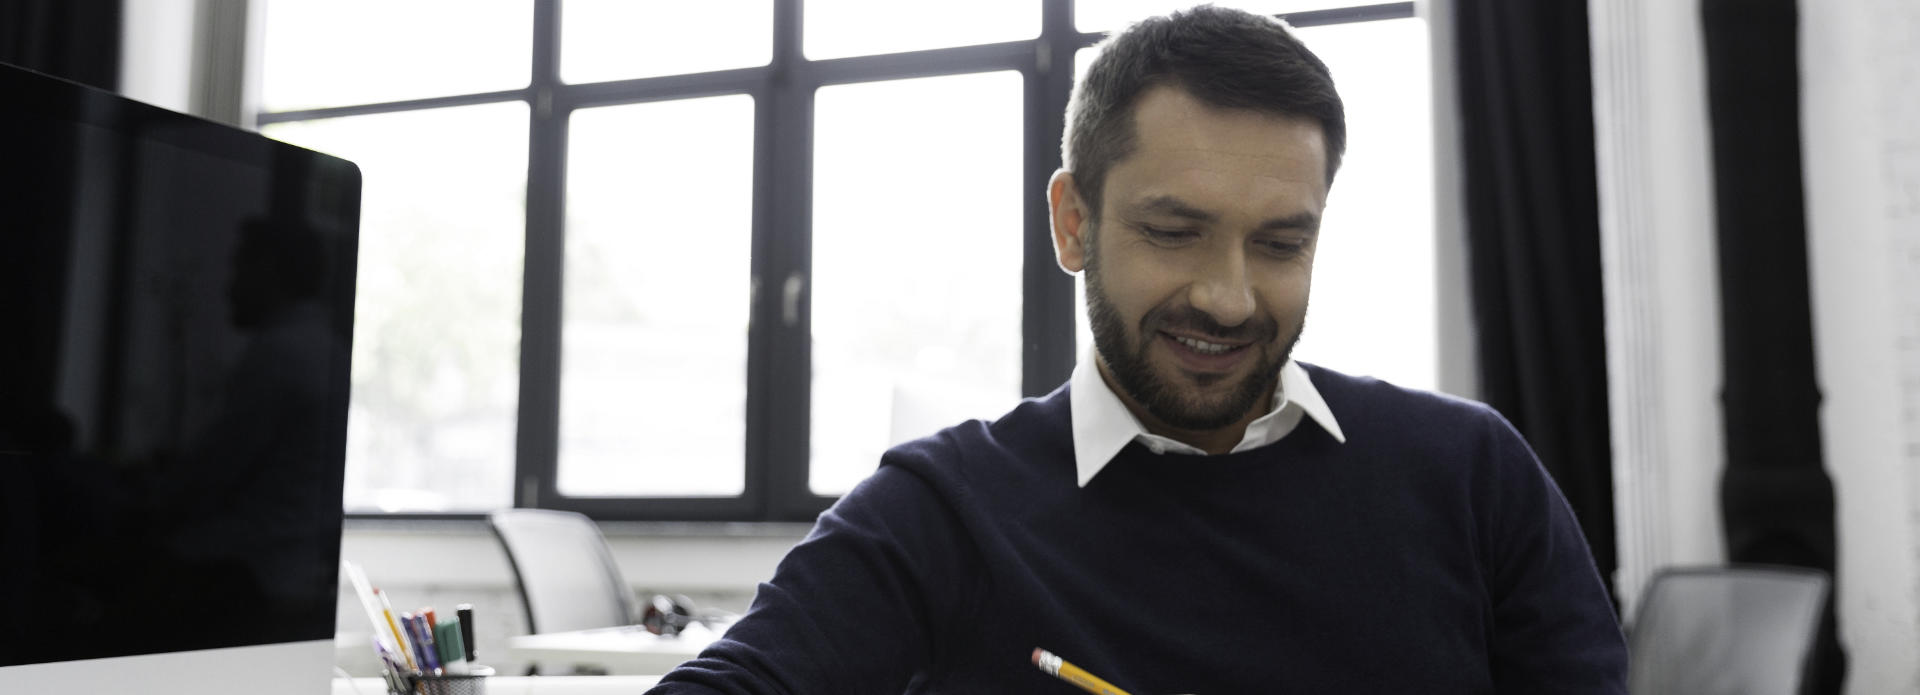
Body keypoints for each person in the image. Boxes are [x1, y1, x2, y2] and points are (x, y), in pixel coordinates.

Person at [647, 6, 1627, 693]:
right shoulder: (942, 511)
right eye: (1174, 231)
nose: (1228, 295)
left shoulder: (1472, 473)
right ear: (1074, 223)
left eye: (1282, 241)